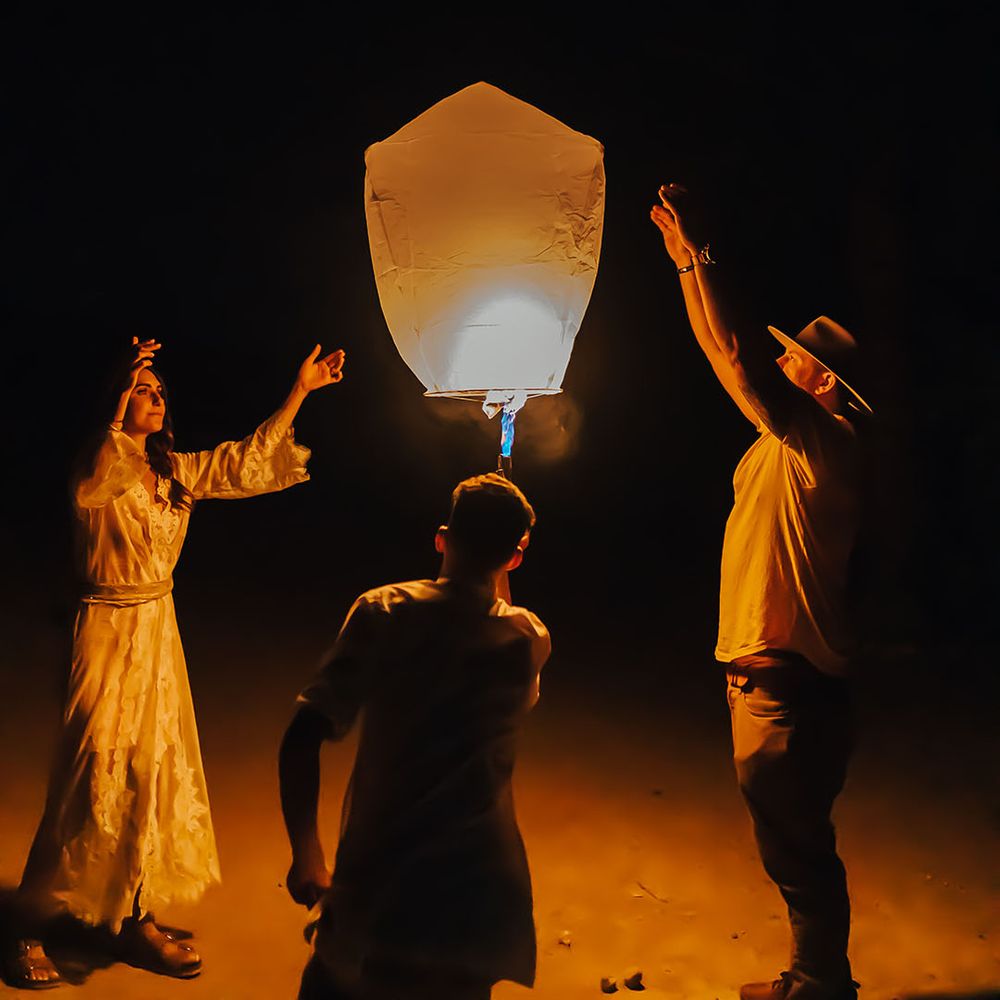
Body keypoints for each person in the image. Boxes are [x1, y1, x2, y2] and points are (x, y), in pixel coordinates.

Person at [5, 336, 346, 989]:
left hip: (157, 629)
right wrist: (123, 378)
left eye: (160, 390)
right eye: (142, 390)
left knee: (151, 773)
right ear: (115, 402)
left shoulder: (173, 470)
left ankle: (135, 915)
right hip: (106, 627)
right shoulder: (99, 463)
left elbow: (247, 461)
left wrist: (300, 390)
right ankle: (27, 922)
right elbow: (101, 472)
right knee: (89, 776)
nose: (156, 398)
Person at [650, 185, 870, 1000]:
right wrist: (684, 266)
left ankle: (821, 983)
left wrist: (706, 255)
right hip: (775, 677)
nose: (782, 360)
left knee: (798, 847)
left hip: (788, 684)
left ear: (824, 382)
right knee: (793, 840)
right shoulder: (791, 443)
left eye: (796, 357)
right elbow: (723, 355)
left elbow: (739, 358)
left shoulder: (829, 442)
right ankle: (816, 976)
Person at [279, 473, 550, 1000]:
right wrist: (505, 548)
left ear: (441, 538)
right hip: (479, 883)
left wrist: (307, 854)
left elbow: (302, 733)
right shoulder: (528, 638)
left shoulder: (384, 612)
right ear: (517, 557)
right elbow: (500, 614)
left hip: (383, 871)